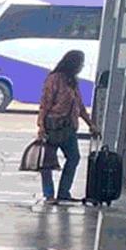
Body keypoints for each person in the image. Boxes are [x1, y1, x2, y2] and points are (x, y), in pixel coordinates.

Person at [38, 50, 96, 204]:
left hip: (69, 127)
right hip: (53, 125)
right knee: (47, 162)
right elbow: (45, 103)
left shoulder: (73, 81)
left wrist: (91, 124)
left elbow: (80, 106)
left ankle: (64, 192)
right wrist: (41, 126)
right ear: (72, 63)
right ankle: (49, 194)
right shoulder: (54, 79)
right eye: (80, 63)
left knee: (74, 158)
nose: (82, 66)